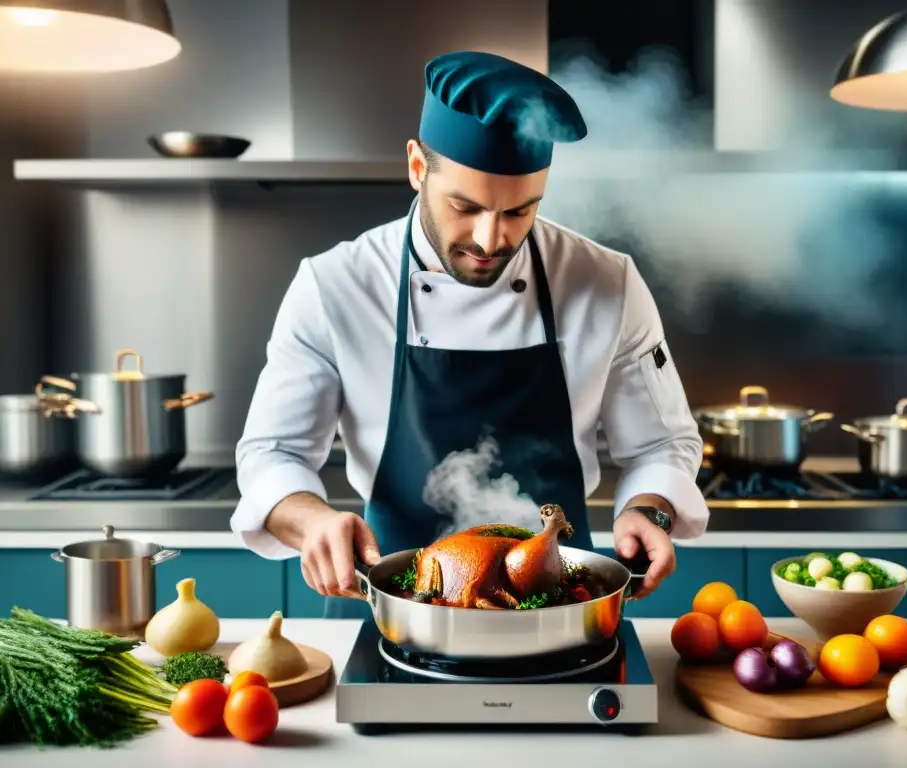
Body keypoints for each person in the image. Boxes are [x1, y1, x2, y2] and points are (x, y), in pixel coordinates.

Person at [230, 50, 709, 619]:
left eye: (520, 212)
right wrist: (313, 521)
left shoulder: (606, 282)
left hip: (561, 606)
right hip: (392, 608)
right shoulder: (336, 285)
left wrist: (649, 511)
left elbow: (661, 444)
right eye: (465, 206)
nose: (490, 239)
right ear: (416, 167)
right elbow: (272, 453)